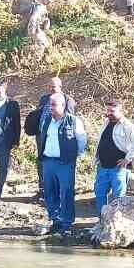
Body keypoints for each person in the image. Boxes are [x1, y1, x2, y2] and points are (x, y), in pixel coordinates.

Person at [37, 94, 88, 234]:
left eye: (53, 105)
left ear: (63, 106)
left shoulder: (74, 121)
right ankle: (55, 219)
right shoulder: (47, 120)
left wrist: (74, 155)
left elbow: (82, 140)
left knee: (66, 192)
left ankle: (67, 221)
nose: (50, 108)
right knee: (49, 191)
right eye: (50, 105)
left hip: (65, 162)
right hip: (48, 161)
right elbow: (43, 138)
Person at [27, 77, 77, 198]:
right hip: (42, 136)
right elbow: (40, 114)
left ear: (60, 87)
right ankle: (43, 190)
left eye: (53, 86)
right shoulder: (45, 98)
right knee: (42, 162)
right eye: (49, 86)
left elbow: (70, 121)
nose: (50, 89)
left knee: (59, 164)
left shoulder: (68, 100)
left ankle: (59, 191)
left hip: (58, 138)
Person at [95, 100, 134, 216]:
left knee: (119, 197)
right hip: (102, 166)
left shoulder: (128, 126)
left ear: (121, 111)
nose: (109, 113)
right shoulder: (106, 123)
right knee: (100, 194)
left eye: (112, 111)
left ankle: (117, 222)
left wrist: (128, 158)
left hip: (118, 168)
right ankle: (102, 220)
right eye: (108, 110)